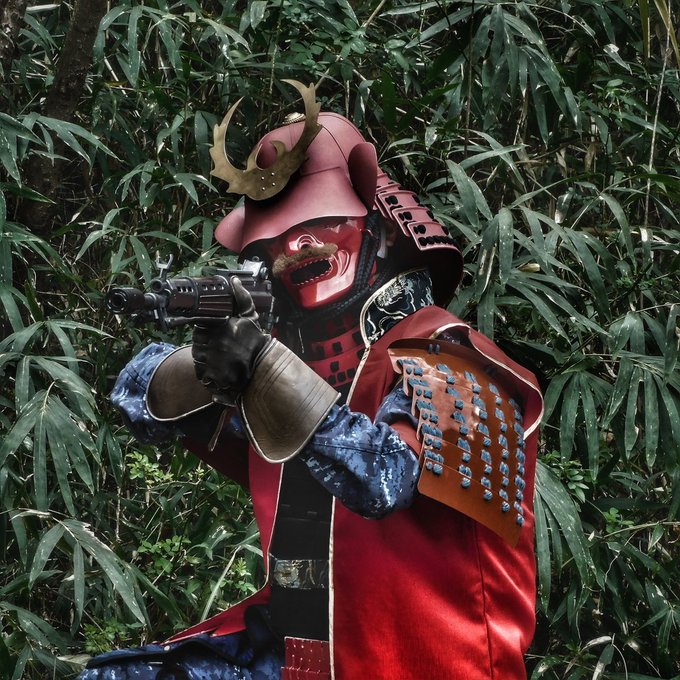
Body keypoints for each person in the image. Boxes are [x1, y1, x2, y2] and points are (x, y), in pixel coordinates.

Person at [81, 81, 543, 680]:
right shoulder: (288, 363)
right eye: (274, 236)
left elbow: (383, 480)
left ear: (381, 228)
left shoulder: (460, 356)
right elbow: (135, 399)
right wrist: (215, 360)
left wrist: (261, 365)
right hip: (295, 654)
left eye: (321, 222)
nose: (294, 245)